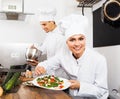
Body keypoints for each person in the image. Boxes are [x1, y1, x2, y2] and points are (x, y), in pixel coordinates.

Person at [34, 16, 109, 99]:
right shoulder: (63, 56)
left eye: (81, 39)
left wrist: (80, 86)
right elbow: (48, 64)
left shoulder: (99, 59)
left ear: (85, 39)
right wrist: (40, 67)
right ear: (66, 42)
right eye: (72, 40)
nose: (77, 44)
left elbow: (102, 91)